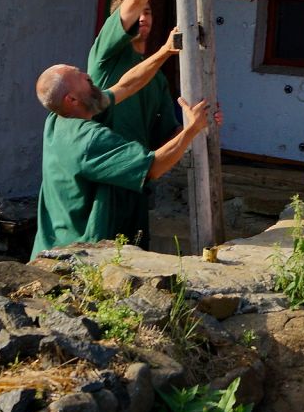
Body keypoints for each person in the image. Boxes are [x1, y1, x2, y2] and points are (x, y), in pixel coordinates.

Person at [31, 39, 216, 259]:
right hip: (76, 260)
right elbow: (153, 167)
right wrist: (192, 129)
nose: (87, 76)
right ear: (71, 99)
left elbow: (127, 86)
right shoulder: (88, 140)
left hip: (49, 249)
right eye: (79, 77)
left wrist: (165, 51)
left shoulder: (57, 119)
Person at [87, 0, 183, 244]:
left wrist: (199, 126)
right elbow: (136, 0)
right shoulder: (106, 55)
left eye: (149, 12)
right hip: (102, 173)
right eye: (136, 12)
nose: (142, 17)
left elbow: (167, 133)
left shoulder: (157, 77)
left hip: (136, 175)